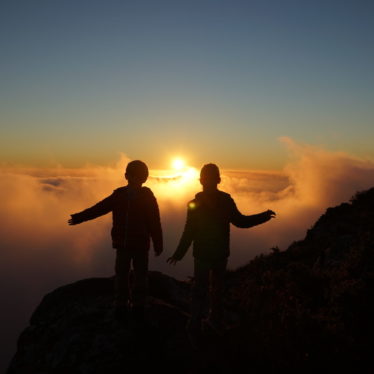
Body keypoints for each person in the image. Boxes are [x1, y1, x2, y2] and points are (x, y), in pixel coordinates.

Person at [167, 163, 275, 335]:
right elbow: (241, 222)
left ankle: (195, 325)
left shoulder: (195, 204)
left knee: (200, 290)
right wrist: (263, 217)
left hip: (202, 255)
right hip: (219, 254)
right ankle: (215, 323)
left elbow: (189, 232)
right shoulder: (225, 201)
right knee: (217, 290)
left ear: (201, 181)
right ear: (218, 180)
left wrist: (179, 254)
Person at [68, 160, 163, 323]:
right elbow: (100, 208)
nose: (135, 179)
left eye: (138, 176)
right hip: (123, 245)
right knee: (122, 274)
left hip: (138, 245)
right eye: (133, 176)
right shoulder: (119, 195)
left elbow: (154, 221)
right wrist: (80, 217)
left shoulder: (146, 197)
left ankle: (138, 305)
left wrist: (158, 242)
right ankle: (121, 304)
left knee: (139, 275)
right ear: (128, 176)